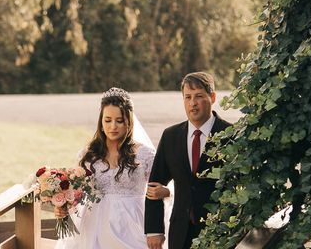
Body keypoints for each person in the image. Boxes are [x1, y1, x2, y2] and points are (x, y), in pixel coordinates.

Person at [55, 87, 167, 249]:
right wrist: (63, 207)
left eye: (119, 121)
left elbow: (158, 192)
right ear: (101, 121)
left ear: (128, 121)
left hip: (132, 223)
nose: (113, 126)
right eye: (107, 120)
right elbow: (77, 194)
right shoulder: (88, 155)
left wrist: (165, 194)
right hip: (94, 225)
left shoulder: (145, 155)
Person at [145, 72, 232, 249]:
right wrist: (154, 230)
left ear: (212, 97)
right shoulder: (170, 136)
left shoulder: (231, 135)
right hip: (180, 232)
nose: (193, 103)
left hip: (219, 234)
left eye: (199, 96)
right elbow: (154, 185)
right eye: (188, 97)